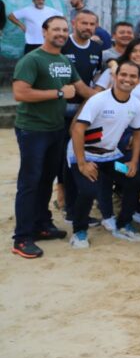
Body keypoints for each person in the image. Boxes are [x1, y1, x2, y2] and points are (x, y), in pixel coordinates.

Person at [12, 13, 96, 245]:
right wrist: (59, 93)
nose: (60, 34)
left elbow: (84, 90)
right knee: (29, 182)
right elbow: (20, 93)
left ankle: (41, 225)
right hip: (33, 130)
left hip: (56, 129)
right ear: (44, 32)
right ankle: (22, 237)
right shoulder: (32, 59)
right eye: (56, 29)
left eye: (63, 30)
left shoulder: (64, 61)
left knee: (46, 179)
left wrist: (116, 95)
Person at [67, 60, 140, 248]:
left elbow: (138, 134)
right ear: (115, 76)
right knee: (88, 190)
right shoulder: (99, 100)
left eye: (132, 76)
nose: (127, 79)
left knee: (135, 179)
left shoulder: (136, 104)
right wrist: (82, 163)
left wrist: (133, 161)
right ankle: (79, 232)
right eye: (123, 74)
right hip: (83, 155)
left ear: (138, 81)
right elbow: (77, 130)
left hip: (109, 158)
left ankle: (124, 224)